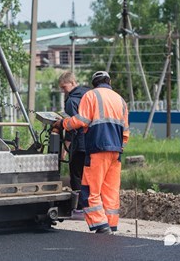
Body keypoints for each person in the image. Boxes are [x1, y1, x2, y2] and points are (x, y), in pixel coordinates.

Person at [54, 71, 128, 234]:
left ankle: (100, 225)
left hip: (97, 149)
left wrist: (64, 123)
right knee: (110, 191)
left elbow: (81, 120)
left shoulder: (91, 96)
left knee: (89, 190)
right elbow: (126, 131)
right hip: (116, 152)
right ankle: (111, 224)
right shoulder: (120, 100)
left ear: (94, 83)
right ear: (109, 82)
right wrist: (118, 146)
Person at [58, 71, 89, 219]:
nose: (63, 91)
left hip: (80, 143)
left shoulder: (71, 101)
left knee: (76, 175)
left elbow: (71, 126)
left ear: (72, 83)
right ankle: (91, 208)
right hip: (93, 143)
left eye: (64, 87)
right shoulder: (89, 95)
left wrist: (66, 146)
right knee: (89, 176)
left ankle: (79, 209)